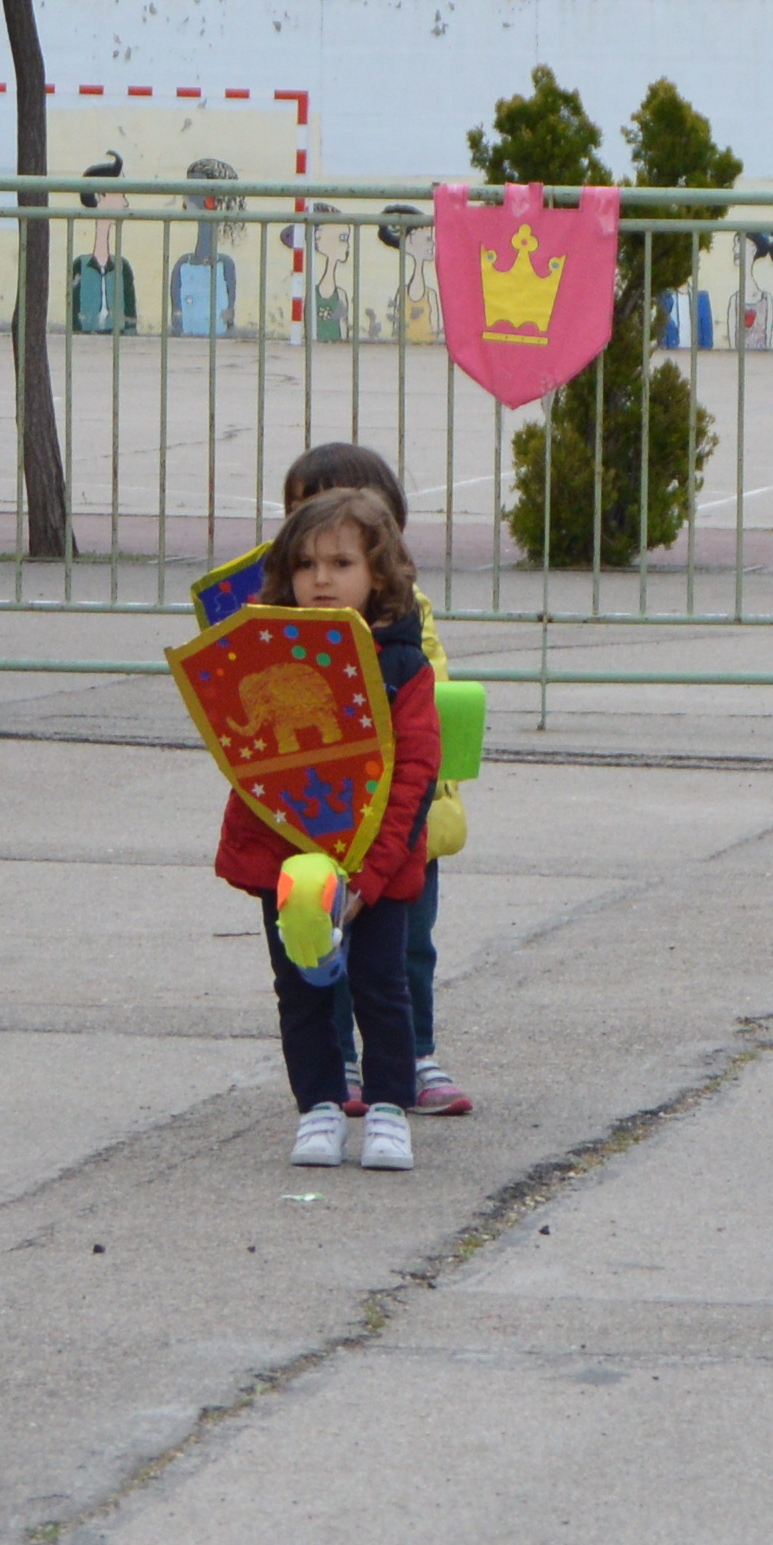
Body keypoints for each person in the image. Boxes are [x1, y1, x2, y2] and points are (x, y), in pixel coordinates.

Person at [221, 484, 440, 1176]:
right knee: (300, 986)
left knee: (381, 986)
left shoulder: (403, 665)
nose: (321, 579)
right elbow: (253, 761)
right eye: (306, 564)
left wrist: (369, 877)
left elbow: (414, 776)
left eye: (342, 563)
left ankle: (388, 1110)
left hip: (378, 864)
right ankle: (318, 1106)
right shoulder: (262, 651)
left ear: (379, 573)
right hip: (289, 860)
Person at [280, 438, 468, 1117]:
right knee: (320, 940)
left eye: (342, 553)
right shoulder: (283, 621)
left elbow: (426, 700)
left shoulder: (405, 623)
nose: (322, 570)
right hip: (320, 818)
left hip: (405, 819)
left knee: (406, 947)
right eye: (302, 523)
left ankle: (414, 1055)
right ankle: (342, 1063)